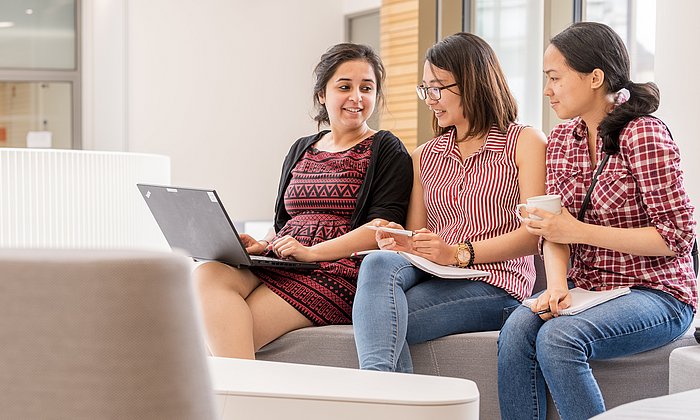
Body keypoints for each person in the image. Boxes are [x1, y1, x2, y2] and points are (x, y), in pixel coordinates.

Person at [498, 22, 697, 420]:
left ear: (594, 78)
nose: (547, 89)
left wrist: (579, 232)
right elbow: (552, 229)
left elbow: (676, 238)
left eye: (555, 78)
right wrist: (555, 286)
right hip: (589, 287)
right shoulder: (560, 139)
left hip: (657, 292)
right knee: (518, 329)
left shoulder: (644, 135)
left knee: (558, 338)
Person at [195, 43, 413, 359]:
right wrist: (261, 244)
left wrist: (311, 253)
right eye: (344, 86)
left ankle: (241, 405)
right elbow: (284, 223)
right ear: (322, 94)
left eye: (367, 88)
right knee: (207, 273)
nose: (357, 97)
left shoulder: (386, 148)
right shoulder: (302, 148)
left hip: (336, 270)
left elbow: (380, 229)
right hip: (284, 259)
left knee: (232, 334)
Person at [352, 32, 547, 373]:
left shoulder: (524, 142)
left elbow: (534, 237)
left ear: (473, 83)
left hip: (497, 284)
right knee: (378, 264)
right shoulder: (424, 156)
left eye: (438, 87)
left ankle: (376, 396)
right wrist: (401, 240)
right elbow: (418, 236)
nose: (429, 98)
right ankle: (382, 397)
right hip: (437, 277)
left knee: (382, 320)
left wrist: (457, 253)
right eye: (425, 88)